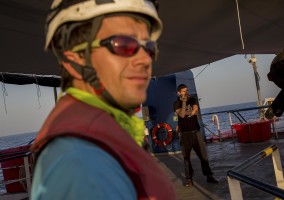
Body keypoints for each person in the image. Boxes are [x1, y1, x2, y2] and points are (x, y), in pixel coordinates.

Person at [30, 0, 177, 199]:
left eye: (149, 47)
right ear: (75, 60)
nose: (145, 59)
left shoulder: (101, 142)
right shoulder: (83, 165)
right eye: (124, 44)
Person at [173, 84, 218, 187]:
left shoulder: (192, 99)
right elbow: (182, 115)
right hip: (185, 134)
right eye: (184, 91)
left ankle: (209, 176)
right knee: (186, 158)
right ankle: (189, 179)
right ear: (179, 93)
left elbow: (195, 110)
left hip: (196, 132)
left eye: (187, 90)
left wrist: (187, 112)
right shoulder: (176, 103)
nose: (186, 92)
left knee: (203, 156)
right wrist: (184, 104)